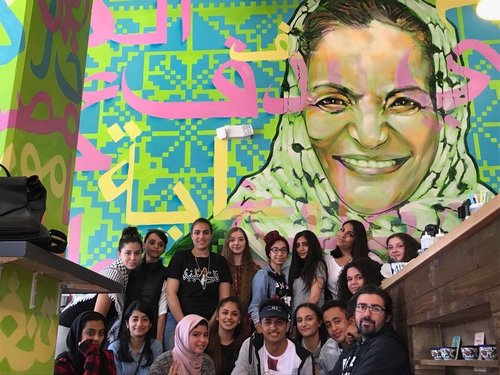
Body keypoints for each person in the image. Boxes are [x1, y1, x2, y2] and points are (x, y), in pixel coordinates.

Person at [212, 0, 488, 261]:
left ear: (445, 113)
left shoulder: (485, 219)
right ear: (296, 115)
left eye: (403, 102)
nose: (370, 138)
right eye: (332, 101)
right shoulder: (246, 228)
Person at [57, 227, 143, 355]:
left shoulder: (126, 275)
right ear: (119, 253)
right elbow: (97, 315)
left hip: (86, 329)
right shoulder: (114, 274)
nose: (133, 257)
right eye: (128, 253)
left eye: (137, 253)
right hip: (72, 326)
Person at [164, 218, 231, 350]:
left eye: (205, 232)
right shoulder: (180, 257)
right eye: (197, 232)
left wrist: (209, 325)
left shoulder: (220, 261)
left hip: (211, 320)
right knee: (175, 360)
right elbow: (170, 293)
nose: (201, 236)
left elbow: (224, 299)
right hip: (179, 318)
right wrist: (185, 324)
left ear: (211, 235)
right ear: (192, 235)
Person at [331, 284, 411, 374]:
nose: (366, 314)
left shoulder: (386, 346)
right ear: (354, 313)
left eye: (375, 309)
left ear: (387, 317)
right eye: (361, 307)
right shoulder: (355, 345)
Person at [232, 298, 315, 374]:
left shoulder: (303, 357)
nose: (273, 327)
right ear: (260, 325)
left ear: (287, 326)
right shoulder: (251, 345)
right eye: (268, 322)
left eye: (279, 322)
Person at [125, 229, 168, 341]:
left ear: (164, 249)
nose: (156, 247)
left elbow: (162, 308)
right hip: (127, 325)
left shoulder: (166, 273)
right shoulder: (130, 268)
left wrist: (158, 340)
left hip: (150, 326)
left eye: (160, 245)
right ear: (144, 245)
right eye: (152, 242)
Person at [248, 230, 291, 333]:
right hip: (268, 330)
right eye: (275, 250)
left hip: (283, 330)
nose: (280, 254)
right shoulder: (263, 275)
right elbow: (254, 306)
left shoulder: (286, 276)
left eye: (283, 250)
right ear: (269, 253)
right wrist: (261, 331)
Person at [221, 227, 261, 329]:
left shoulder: (255, 269)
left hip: (248, 323)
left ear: (246, 242)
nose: (236, 243)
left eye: (241, 239)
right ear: (227, 243)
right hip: (225, 321)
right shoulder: (220, 266)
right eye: (232, 240)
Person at [108, 300, 163, 375]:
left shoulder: (156, 346)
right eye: (135, 319)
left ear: (150, 324)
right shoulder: (114, 348)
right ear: (127, 323)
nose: (139, 324)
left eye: (145, 319)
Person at [54, 311, 117, 375]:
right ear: (78, 335)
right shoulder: (62, 362)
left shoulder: (106, 357)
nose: (97, 338)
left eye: (101, 333)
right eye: (90, 333)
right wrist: (93, 355)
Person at [150, 315, 215, 375]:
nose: (203, 340)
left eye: (206, 335)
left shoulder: (207, 362)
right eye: (196, 335)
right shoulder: (163, 363)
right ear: (183, 336)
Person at [324, 220, 371, 299]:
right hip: (337, 308)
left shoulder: (370, 258)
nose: (342, 235)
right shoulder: (326, 260)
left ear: (357, 239)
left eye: (350, 234)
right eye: (342, 230)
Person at [205, 297, 248, 375]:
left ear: (239, 319)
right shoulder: (205, 341)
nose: (229, 317)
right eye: (225, 313)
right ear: (217, 316)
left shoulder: (245, 345)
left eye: (234, 314)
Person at [289, 230, 328, 312]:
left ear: (313, 246)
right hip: (297, 319)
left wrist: (303, 316)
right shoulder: (297, 269)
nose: (301, 249)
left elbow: (314, 298)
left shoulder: (318, 265)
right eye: (297, 245)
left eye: (305, 244)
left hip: (310, 318)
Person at [318, 300, 357, 375]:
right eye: (328, 325)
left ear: (352, 321)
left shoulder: (366, 343)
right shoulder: (326, 350)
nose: (333, 328)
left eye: (337, 321)